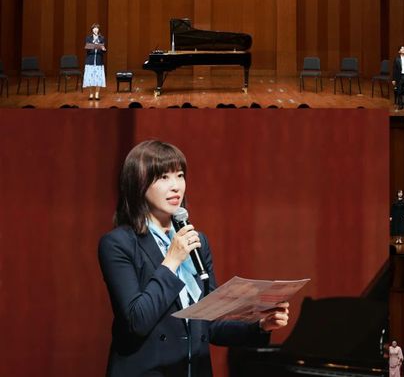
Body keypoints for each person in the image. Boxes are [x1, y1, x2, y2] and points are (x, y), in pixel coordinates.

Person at [97, 141, 290, 376]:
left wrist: (260, 326)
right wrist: (171, 261)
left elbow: (210, 324)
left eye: (179, 175)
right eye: (163, 177)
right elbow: (137, 321)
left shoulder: (197, 240)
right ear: (138, 183)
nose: (175, 186)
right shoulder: (118, 243)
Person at [84, 23, 107, 101]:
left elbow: (103, 49)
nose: (95, 30)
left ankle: (97, 94)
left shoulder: (102, 38)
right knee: (90, 78)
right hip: (90, 60)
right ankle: (91, 93)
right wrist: (94, 44)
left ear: (99, 29)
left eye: (97, 28)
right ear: (92, 29)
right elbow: (87, 48)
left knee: (98, 78)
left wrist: (103, 49)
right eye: (94, 28)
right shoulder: (88, 38)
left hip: (99, 60)